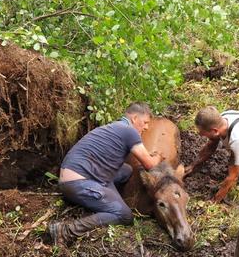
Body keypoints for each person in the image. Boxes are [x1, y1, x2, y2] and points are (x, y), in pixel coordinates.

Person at [48, 102, 163, 245]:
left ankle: (108, 198)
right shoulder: (130, 131)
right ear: (134, 118)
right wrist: (158, 157)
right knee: (125, 216)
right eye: (145, 122)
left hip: (74, 176)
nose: (146, 127)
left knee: (126, 171)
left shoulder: (114, 127)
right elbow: (149, 164)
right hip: (78, 183)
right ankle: (66, 230)